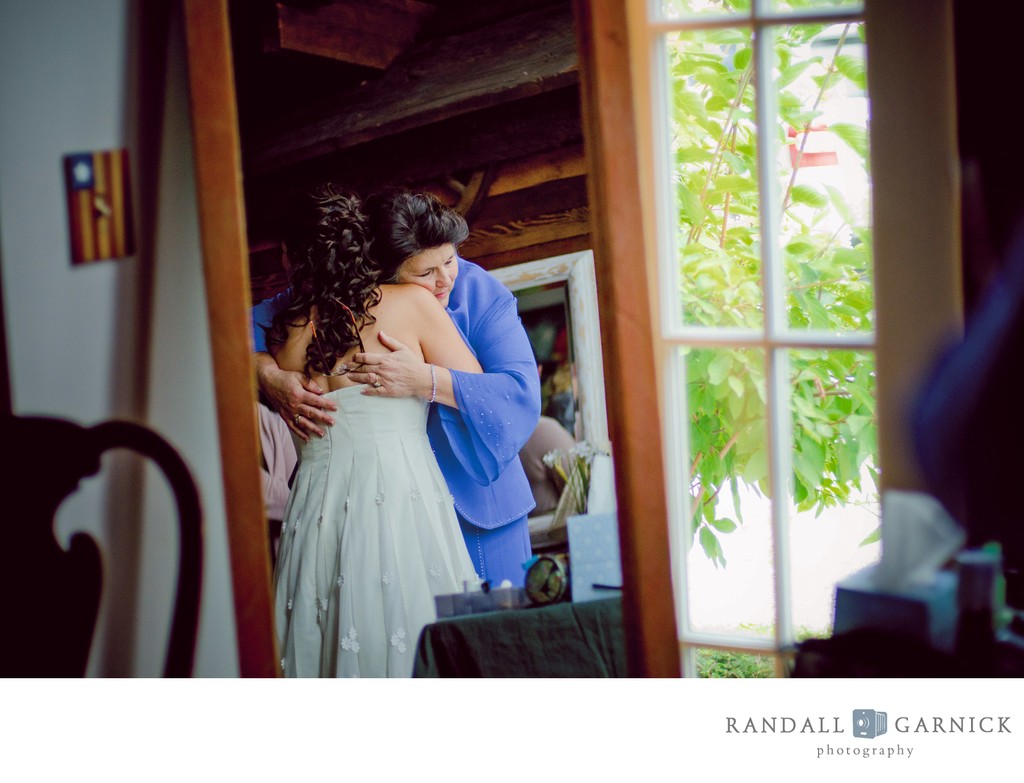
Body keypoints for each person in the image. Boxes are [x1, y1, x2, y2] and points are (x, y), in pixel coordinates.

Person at [253, 188, 541, 587]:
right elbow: (245, 327)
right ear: (379, 270)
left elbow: (520, 392)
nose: (446, 281)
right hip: (377, 515)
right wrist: (265, 372)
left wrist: (425, 379)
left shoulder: (477, 290)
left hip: (480, 507)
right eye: (425, 273)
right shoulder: (338, 300)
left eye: (450, 260)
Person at [267, 184, 478, 677]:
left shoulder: (284, 335)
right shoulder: (412, 305)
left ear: (289, 258)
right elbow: (478, 393)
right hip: (404, 496)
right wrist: (425, 380)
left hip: (317, 512)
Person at [256, 399, 298, 566]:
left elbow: (296, 501)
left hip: (285, 559)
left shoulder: (277, 423)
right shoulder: (211, 431)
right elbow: (253, 490)